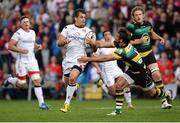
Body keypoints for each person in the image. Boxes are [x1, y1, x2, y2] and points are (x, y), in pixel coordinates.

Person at [78, 28, 172, 115]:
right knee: (118, 85)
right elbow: (102, 44)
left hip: (142, 75)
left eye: (117, 36)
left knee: (153, 93)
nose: (116, 36)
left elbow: (105, 58)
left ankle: (166, 94)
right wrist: (92, 42)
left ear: (121, 40)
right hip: (132, 71)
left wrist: (87, 58)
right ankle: (118, 111)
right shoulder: (121, 43)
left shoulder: (124, 51)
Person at [2, 16, 48, 110]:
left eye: (28, 21)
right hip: (22, 61)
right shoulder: (18, 33)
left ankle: (42, 104)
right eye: (24, 22)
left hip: (32, 61)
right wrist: (20, 50)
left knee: (37, 80)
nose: (27, 23)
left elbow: (31, 44)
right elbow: (10, 46)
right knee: (22, 83)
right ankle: (10, 80)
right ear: (21, 24)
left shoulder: (32, 32)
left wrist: (37, 46)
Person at [126, 6, 170, 100]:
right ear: (133, 17)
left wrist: (160, 38)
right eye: (136, 15)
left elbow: (152, 33)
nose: (138, 16)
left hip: (149, 54)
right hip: (137, 58)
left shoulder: (148, 24)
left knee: (157, 75)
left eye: (140, 14)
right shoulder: (131, 27)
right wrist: (139, 41)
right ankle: (165, 94)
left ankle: (164, 101)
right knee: (148, 90)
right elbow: (126, 41)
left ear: (143, 15)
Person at [57, 9, 93, 113]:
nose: (83, 19)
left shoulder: (88, 31)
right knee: (67, 84)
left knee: (72, 78)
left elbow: (94, 47)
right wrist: (63, 41)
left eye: (84, 17)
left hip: (80, 59)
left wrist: (92, 43)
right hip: (68, 60)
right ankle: (74, 87)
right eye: (81, 17)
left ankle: (66, 104)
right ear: (75, 18)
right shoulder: (67, 28)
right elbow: (59, 42)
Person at [93, 30, 134, 109]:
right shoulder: (101, 46)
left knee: (125, 84)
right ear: (103, 36)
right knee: (113, 93)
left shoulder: (114, 43)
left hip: (116, 69)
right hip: (107, 72)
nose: (107, 36)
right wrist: (98, 68)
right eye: (105, 35)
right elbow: (93, 58)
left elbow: (124, 52)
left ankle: (129, 104)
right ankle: (102, 85)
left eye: (109, 34)